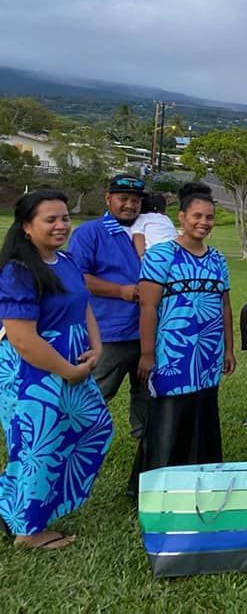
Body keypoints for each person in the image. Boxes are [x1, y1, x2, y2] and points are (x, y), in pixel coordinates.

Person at [0, 190, 114, 549]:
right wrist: (67, 370)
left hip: (72, 362)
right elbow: (22, 339)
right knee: (38, 445)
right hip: (34, 372)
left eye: (65, 217)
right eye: (50, 219)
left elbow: (84, 306)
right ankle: (29, 532)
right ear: (26, 226)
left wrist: (96, 347)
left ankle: (12, 506)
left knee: (94, 426)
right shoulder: (18, 271)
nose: (61, 225)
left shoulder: (65, 262)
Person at [130, 183, 235, 494]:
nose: (203, 222)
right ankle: (156, 486)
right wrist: (147, 354)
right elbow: (148, 306)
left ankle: (200, 479)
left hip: (207, 353)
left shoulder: (217, 258)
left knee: (202, 413)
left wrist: (228, 348)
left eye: (210, 217)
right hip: (173, 353)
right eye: (197, 216)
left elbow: (224, 305)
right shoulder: (161, 255)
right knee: (169, 417)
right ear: (182, 217)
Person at [68, 174, 149, 439]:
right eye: (123, 199)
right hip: (109, 333)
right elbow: (78, 278)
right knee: (95, 394)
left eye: (135, 201)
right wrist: (122, 291)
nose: (129, 205)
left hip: (147, 332)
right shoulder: (90, 232)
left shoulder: (149, 231)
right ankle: (72, 442)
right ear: (108, 199)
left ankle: (147, 448)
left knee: (147, 397)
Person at [131, 193, 178, 257]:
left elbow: (138, 236)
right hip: (176, 250)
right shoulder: (166, 218)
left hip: (158, 253)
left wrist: (141, 257)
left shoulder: (141, 218)